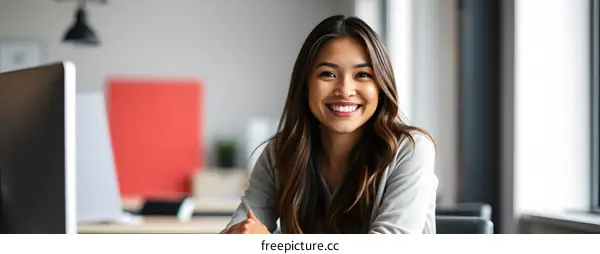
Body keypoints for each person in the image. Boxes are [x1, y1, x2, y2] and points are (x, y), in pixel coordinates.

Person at [221, 15, 438, 234]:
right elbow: (237, 232)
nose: (345, 90)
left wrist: (275, 245)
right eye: (328, 74)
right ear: (305, 85)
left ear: (381, 87)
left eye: (363, 75)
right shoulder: (280, 152)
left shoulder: (411, 149)